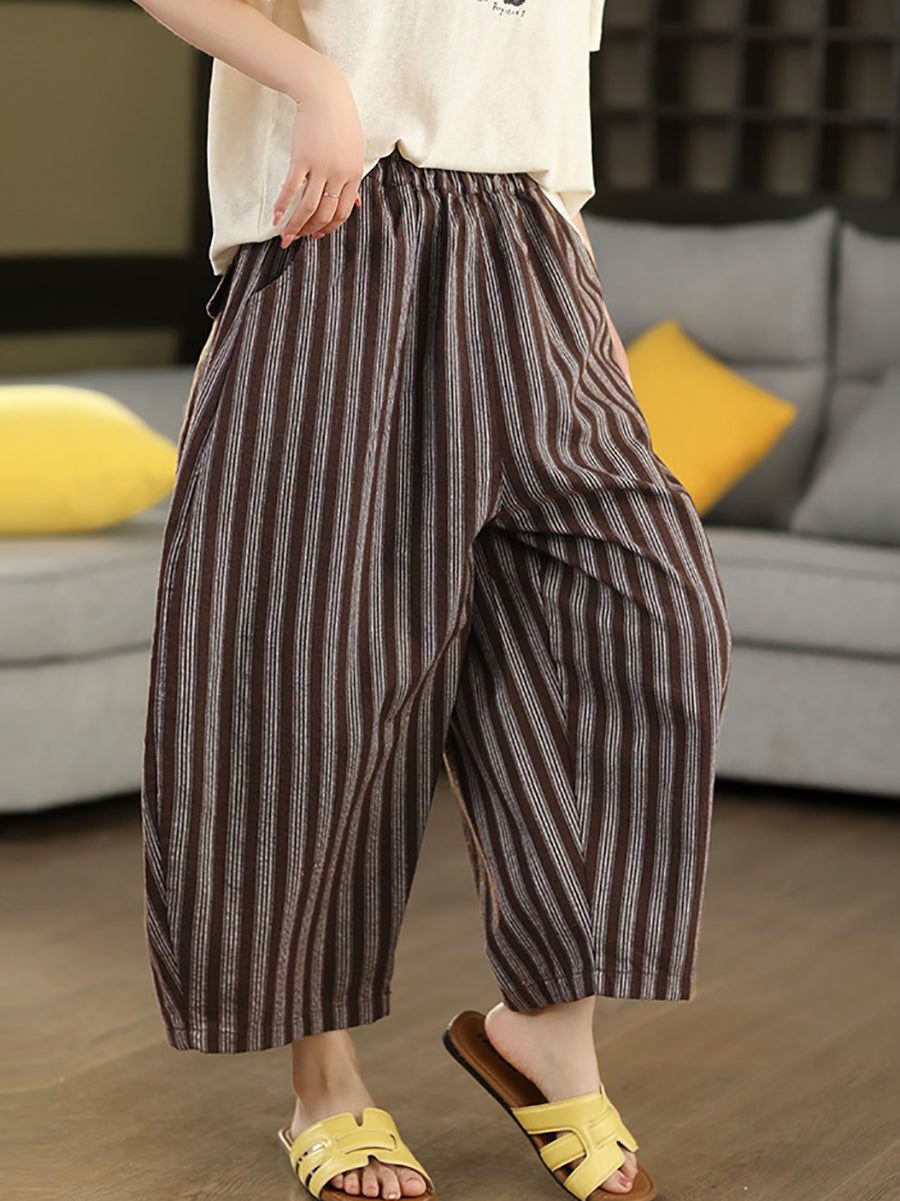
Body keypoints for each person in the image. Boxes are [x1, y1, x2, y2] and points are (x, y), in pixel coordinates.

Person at [131, 2, 734, 1199]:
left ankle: (546, 1029)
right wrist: (314, 81)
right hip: (337, 234)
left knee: (657, 612)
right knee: (318, 674)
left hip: (532, 255)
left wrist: (586, 319)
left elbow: (542, 100)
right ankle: (325, 1083)